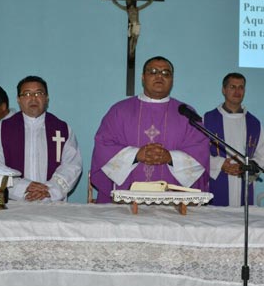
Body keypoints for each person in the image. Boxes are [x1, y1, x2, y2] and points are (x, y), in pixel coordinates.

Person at [90, 56, 210, 203]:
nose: (159, 76)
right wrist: (136, 154)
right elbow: (103, 145)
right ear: (143, 77)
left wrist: (171, 158)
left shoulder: (185, 113)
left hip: (173, 200)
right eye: (153, 72)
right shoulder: (120, 110)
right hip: (127, 198)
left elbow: (200, 150)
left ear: (172, 79)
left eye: (166, 73)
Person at [0, 76, 82, 202]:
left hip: (51, 202)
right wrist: (24, 186)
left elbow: (72, 166)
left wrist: (49, 189)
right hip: (16, 202)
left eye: (39, 93)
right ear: (18, 99)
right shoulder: (3, 129)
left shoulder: (62, 129)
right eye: (27, 94)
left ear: (47, 98)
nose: (33, 98)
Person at [203, 73, 264, 206]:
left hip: (244, 183)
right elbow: (199, 152)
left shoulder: (254, 123)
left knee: (242, 217)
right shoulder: (208, 119)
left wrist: (247, 168)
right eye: (232, 87)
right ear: (224, 90)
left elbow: (263, 154)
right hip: (218, 182)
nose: (237, 91)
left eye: (241, 87)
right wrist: (220, 164)